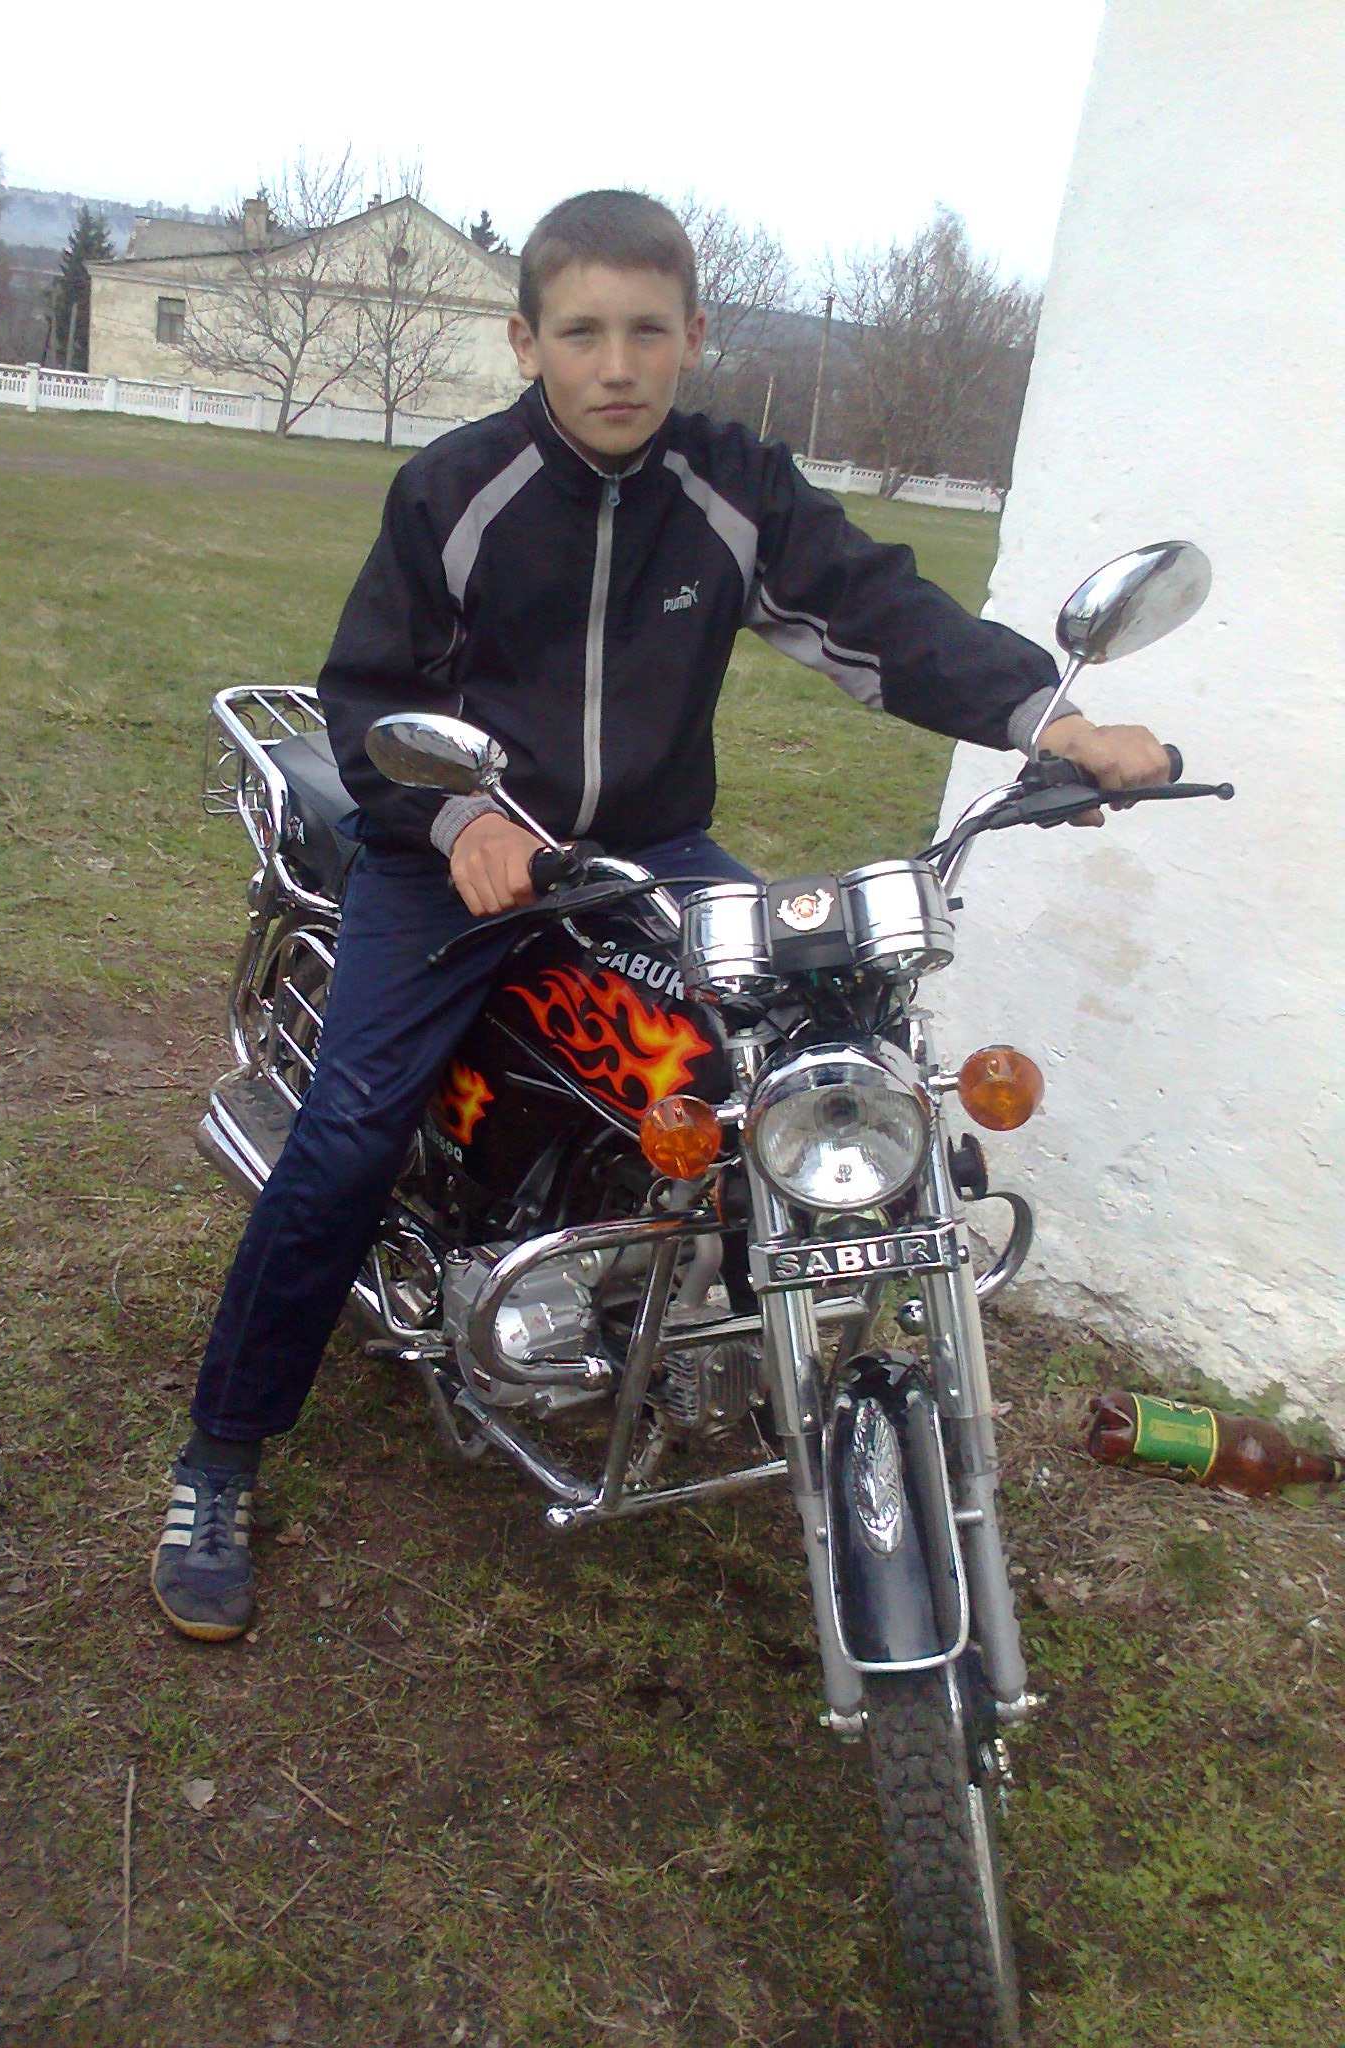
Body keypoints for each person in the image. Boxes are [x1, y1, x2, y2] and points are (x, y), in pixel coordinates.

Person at [152, 190, 1170, 1641]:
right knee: (351, 1134)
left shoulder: (730, 483)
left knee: (805, 1060)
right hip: (453, 854)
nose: (617, 364)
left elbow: (876, 612)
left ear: (694, 335)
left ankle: (740, 1345)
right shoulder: (457, 489)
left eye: (647, 331)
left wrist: (1046, 722)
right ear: (527, 343)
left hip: (648, 844)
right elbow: (372, 694)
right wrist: (459, 820)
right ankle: (221, 1458)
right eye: (582, 333)